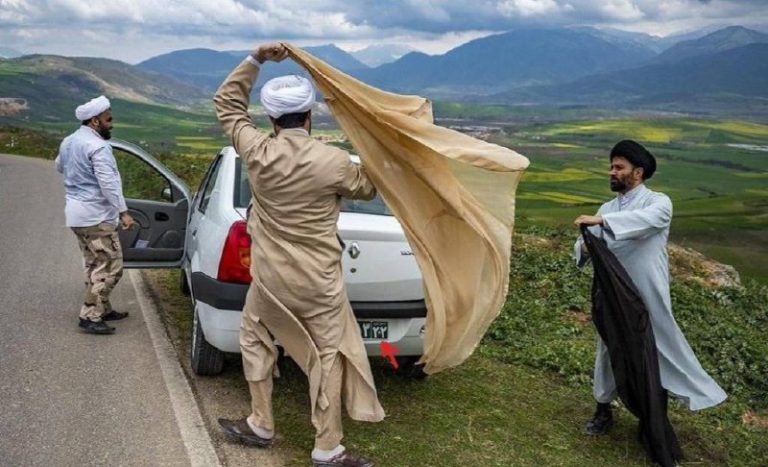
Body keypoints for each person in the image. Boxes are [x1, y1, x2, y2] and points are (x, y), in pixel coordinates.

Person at [213, 43, 384, 467]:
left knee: (254, 337)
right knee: (328, 357)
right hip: (320, 282)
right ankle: (327, 448)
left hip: (270, 280)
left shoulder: (257, 151)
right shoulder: (334, 161)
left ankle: (261, 423)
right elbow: (369, 187)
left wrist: (255, 59)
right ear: (310, 116)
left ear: (271, 119)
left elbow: (228, 104)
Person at [573, 139, 727, 435]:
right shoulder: (607, 207)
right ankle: (603, 408)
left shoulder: (658, 202)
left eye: (619, 167)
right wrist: (585, 246)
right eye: (611, 167)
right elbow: (584, 242)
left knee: (653, 352)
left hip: (647, 293)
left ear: (638, 172)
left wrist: (603, 222)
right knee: (608, 348)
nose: (612, 172)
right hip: (614, 294)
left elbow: (647, 220)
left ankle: (653, 418)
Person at [55, 95, 135, 335]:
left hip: (76, 215)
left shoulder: (69, 141)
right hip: (96, 217)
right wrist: (123, 212)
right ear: (94, 121)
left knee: (93, 264)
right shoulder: (98, 146)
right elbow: (109, 184)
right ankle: (89, 314)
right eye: (108, 118)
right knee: (111, 267)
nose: (112, 122)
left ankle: (104, 307)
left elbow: (58, 166)